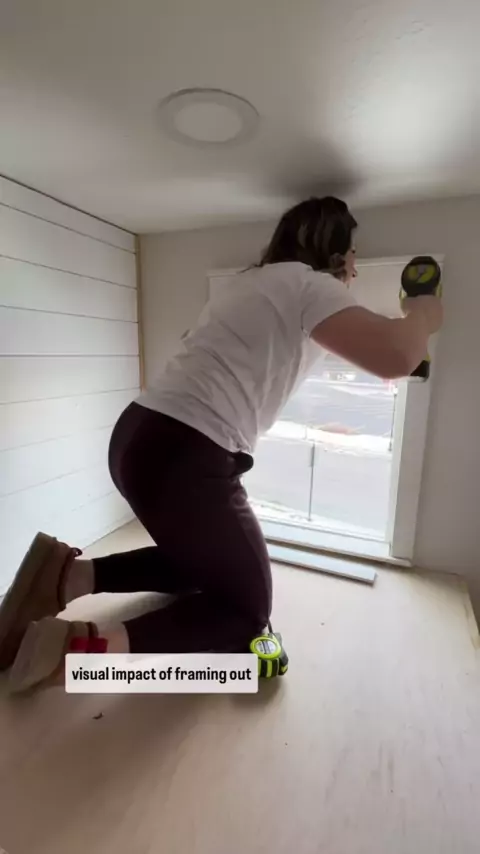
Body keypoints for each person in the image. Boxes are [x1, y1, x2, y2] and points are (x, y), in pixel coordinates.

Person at [0, 197, 443, 693]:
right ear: (337, 254)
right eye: (353, 258)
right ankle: (83, 653)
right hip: (188, 452)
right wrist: (422, 312)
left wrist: (394, 337)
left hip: (138, 436)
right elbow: (396, 355)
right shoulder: (311, 285)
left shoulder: (247, 285)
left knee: (206, 565)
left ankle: (64, 577)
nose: (356, 272)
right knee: (246, 611)